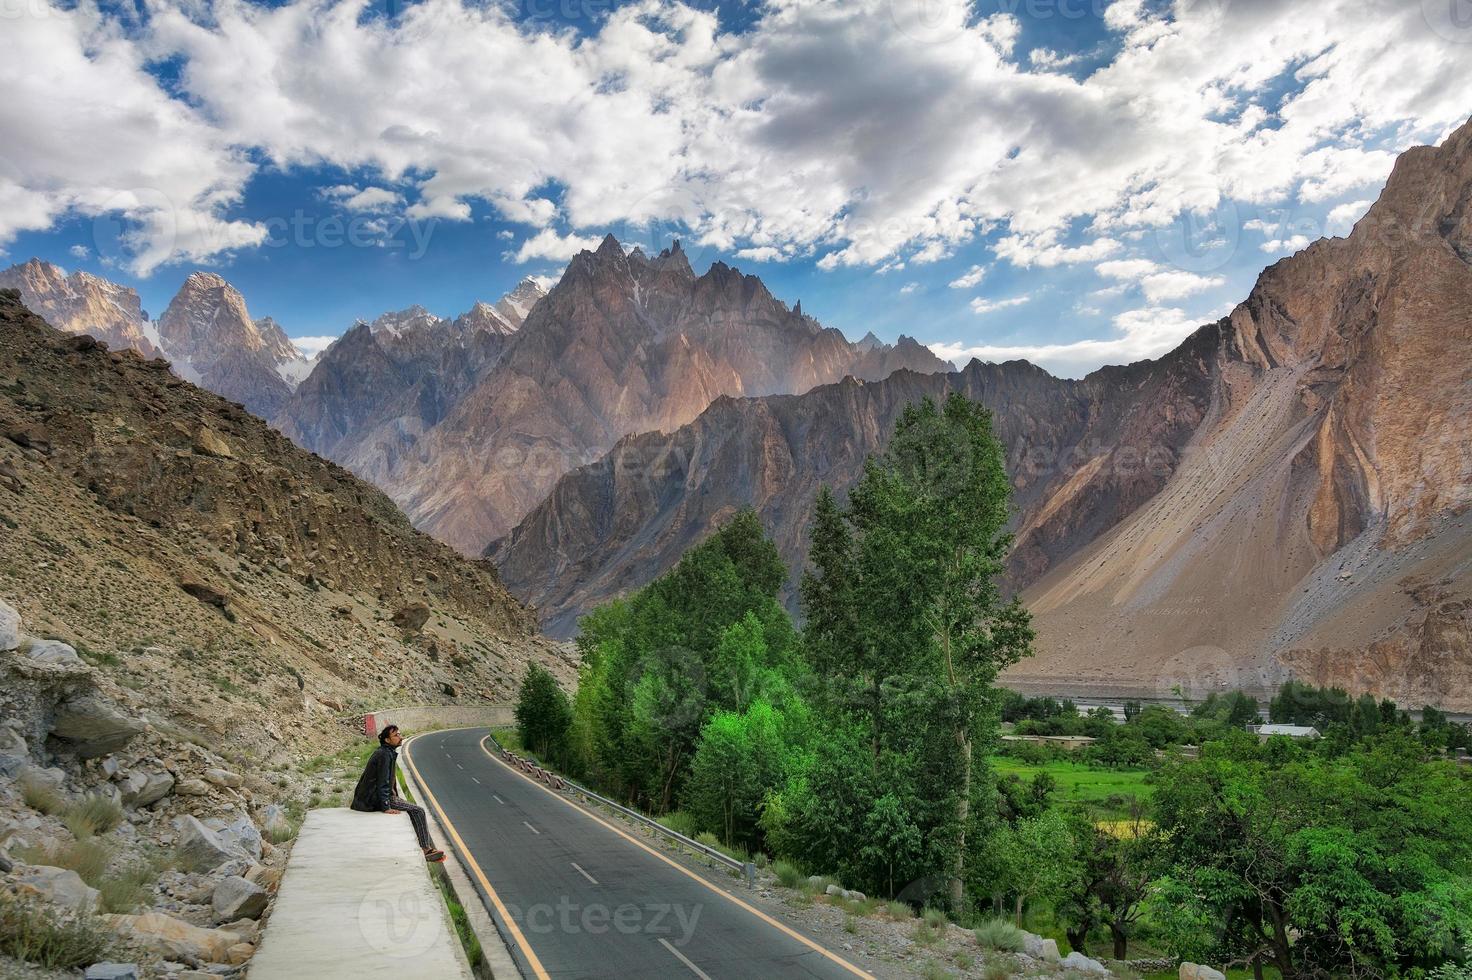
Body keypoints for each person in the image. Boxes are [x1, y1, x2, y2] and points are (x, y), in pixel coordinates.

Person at [351, 724, 445, 863]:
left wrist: (394, 795)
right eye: (396, 735)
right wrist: (386, 806)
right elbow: (383, 781)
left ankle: (425, 848)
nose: (400, 737)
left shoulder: (386, 752)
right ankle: (426, 850)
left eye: (399, 734)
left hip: (367, 798)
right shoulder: (384, 755)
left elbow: (388, 780)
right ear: (387, 740)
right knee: (418, 811)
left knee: (412, 809)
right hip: (372, 800)